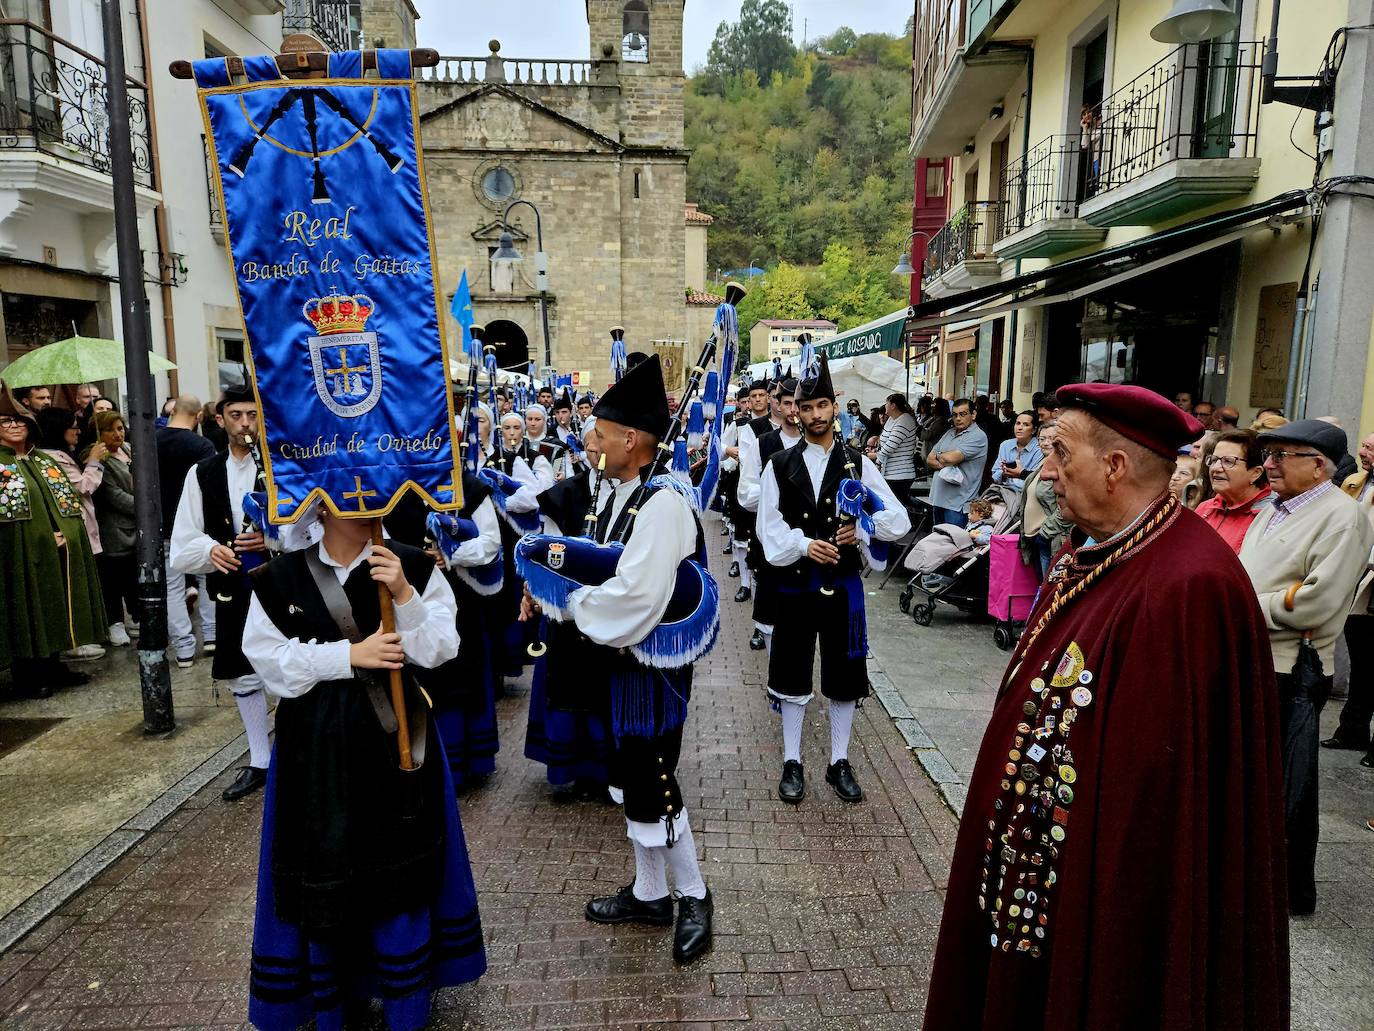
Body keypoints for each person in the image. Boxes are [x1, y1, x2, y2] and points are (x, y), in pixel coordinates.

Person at [924, 382, 1288, 1031]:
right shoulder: (1098, 553)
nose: (1047, 470)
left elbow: (1157, 814)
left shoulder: (1187, 586)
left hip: (1098, 907)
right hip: (1042, 890)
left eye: (1060, 452)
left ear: (1115, 467)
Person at [242, 506, 485, 1029]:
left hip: (397, 742)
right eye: (349, 498)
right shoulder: (278, 575)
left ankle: (405, 998)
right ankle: (336, 993)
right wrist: (348, 656)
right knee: (324, 861)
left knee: (398, 861)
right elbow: (266, 660)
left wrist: (404, 594)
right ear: (320, 506)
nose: (365, 507)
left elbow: (443, 648)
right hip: (316, 751)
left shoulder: (412, 565)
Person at [524, 354, 714, 964]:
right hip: (621, 663)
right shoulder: (619, 489)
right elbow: (599, 559)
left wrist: (569, 601)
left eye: (599, 433)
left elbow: (634, 597)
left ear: (630, 440)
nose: (588, 441)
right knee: (632, 774)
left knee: (654, 777)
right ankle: (650, 891)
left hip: (651, 672)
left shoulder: (662, 504)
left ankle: (694, 894)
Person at [757, 356, 909, 805]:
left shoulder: (858, 464)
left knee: (844, 676)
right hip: (795, 587)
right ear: (795, 412)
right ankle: (792, 761)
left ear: (833, 407)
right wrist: (805, 545)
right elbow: (769, 531)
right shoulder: (779, 464)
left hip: (843, 588)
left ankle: (838, 761)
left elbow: (896, 520)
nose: (816, 414)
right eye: (807, 407)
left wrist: (861, 528)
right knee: (791, 674)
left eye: (824, 405)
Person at [1240, 419, 1374, 914]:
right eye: (1268, 454)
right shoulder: (1273, 507)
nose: (1268, 464)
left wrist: (1244, 606)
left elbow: (1318, 601)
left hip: (1292, 667)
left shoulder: (1342, 515)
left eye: (1280, 455)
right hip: (1257, 657)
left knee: (1288, 785)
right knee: (1258, 779)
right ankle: (1252, 876)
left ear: (1318, 465)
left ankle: (1287, 890)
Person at [170, 386, 276, 801]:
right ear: (220, 419)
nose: (245, 424)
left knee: (295, 663)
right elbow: (184, 537)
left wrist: (271, 538)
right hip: (233, 583)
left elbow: (312, 528)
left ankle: (298, 754)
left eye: (252, 415)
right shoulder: (202, 473)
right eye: (236, 415)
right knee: (241, 670)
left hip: (280, 580)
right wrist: (210, 549)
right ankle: (260, 759)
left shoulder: (279, 467)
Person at [524, 420, 613, 798]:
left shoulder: (639, 494)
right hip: (566, 611)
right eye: (592, 442)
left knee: (604, 690)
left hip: (611, 611)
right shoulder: (564, 494)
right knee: (567, 685)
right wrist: (539, 587)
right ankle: (568, 768)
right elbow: (547, 549)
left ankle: (604, 770)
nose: (597, 450)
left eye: (602, 442)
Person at [0, 395, 105, 695]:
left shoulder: (44, 459)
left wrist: (65, 534)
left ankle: (55, 665)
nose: (14, 425)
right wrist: (43, 536)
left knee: (59, 605)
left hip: (60, 548)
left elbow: (66, 501)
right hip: (21, 552)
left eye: (20, 419)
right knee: (27, 607)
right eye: (5, 421)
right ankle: (29, 675)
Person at [35, 408, 106, 662]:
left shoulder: (61, 455)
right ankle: (74, 642)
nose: (77, 430)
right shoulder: (51, 459)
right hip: (70, 530)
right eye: (72, 426)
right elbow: (83, 486)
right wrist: (95, 460)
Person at [738, 376, 801, 650]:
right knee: (768, 589)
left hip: (808, 544)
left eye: (799, 405)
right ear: (777, 403)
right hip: (772, 536)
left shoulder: (823, 445)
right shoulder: (762, 442)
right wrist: (774, 493)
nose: (793, 411)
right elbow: (746, 493)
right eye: (787, 403)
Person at [1326, 431, 1374, 765]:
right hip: (1357, 578)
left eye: (1371, 448)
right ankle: (1352, 731)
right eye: (1365, 446)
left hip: (1371, 578)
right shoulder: (1356, 482)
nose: (1362, 452)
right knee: (1362, 665)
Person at [158, 396, 217, 667]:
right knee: (206, 578)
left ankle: (183, 648)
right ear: (198, 416)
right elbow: (211, 485)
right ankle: (212, 634)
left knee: (172, 586)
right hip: (199, 523)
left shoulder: (151, 442)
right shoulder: (202, 445)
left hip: (163, 523)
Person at [82, 410, 139, 649]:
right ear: (99, 433)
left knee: (133, 575)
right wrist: (144, 507)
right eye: (112, 429)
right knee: (114, 577)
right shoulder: (96, 459)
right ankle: (114, 623)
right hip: (112, 528)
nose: (119, 433)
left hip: (135, 526)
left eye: (120, 427)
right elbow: (112, 495)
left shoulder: (126, 450)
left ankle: (137, 617)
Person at [728, 376, 772, 608]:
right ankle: (746, 584)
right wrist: (728, 452)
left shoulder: (780, 426)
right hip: (746, 487)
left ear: (768, 397)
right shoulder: (738, 424)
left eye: (760, 395)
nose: (756, 400)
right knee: (744, 540)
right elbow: (723, 450)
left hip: (770, 493)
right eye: (752, 397)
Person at [1194, 429, 1271, 553]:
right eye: (1213, 460)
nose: (1216, 468)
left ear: (1255, 473)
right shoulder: (1205, 508)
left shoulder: (1267, 516)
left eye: (1228, 461)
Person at [1018, 420, 1070, 579]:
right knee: (1041, 588)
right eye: (1042, 439)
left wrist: (1044, 534)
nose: (1046, 443)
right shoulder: (1042, 463)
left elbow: (1069, 506)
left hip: (1050, 539)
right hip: (1035, 538)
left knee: (1049, 590)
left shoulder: (1064, 466)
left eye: (1051, 438)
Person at [926, 398, 988, 527]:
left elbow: (950, 458)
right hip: (938, 500)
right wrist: (944, 460)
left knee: (954, 545)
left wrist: (942, 458)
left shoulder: (978, 436)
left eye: (963, 414)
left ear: (974, 414)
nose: (958, 418)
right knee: (938, 544)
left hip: (958, 504)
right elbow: (929, 459)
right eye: (954, 415)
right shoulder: (949, 432)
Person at [876, 393, 918, 503]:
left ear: (893, 405)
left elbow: (890, 446)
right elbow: (883, 439)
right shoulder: (891, 419)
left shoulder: (905, 420)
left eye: (886, 403)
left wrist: (877, 459)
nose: (885, 406)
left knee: (897, 504)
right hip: (889, 472)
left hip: (900, 474)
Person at [991, 411, 1042, 494]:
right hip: (1003, 490)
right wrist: (1004, 473)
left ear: (1034, 430)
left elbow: (1035, 480)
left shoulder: (1039, 448)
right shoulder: (1006, 445)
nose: (1020, 427)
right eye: (1018, 423)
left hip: (1025, 494)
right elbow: (995, 475)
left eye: (1026, 424)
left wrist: (1019, 473)